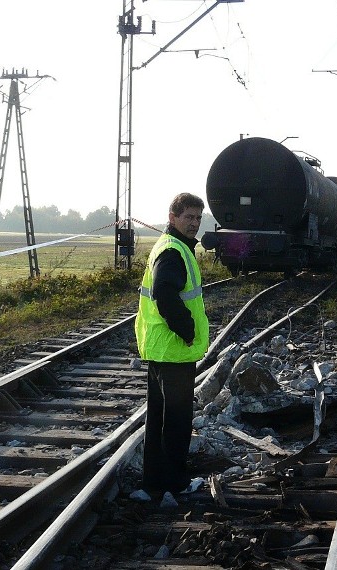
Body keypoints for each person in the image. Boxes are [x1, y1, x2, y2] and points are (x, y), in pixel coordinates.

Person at [135, 192, 210, 495]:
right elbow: (165, 295)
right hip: (174, 349)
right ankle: (176, 484)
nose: (194, 223)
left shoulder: (170, 246)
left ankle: (154, 484)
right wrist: (187, 330)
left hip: (163, 349)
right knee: (176, 423)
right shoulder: (173, 251)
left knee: (158, 420)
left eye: (197, 218)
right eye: (188, 217)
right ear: (172, 218)